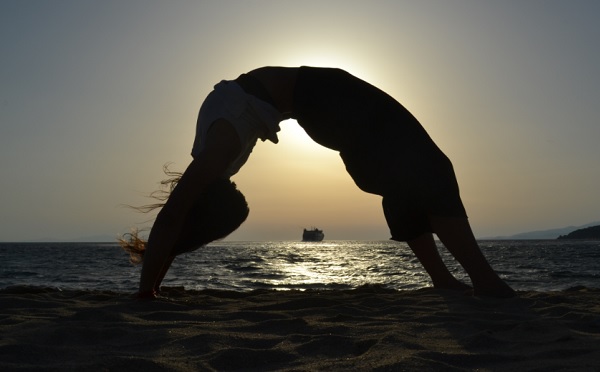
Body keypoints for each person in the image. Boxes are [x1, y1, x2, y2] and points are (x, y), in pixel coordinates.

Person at [120, 66, 515, 299]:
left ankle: (458, 280)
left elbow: (175, 218)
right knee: (418, 169)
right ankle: (473, 281)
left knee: (413, 171)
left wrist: (145, 294)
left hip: (320, 96)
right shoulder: (212, 162)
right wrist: (150, 289)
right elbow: (180, 221)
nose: (238, 190)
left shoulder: (216, 153)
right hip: (318, 101)